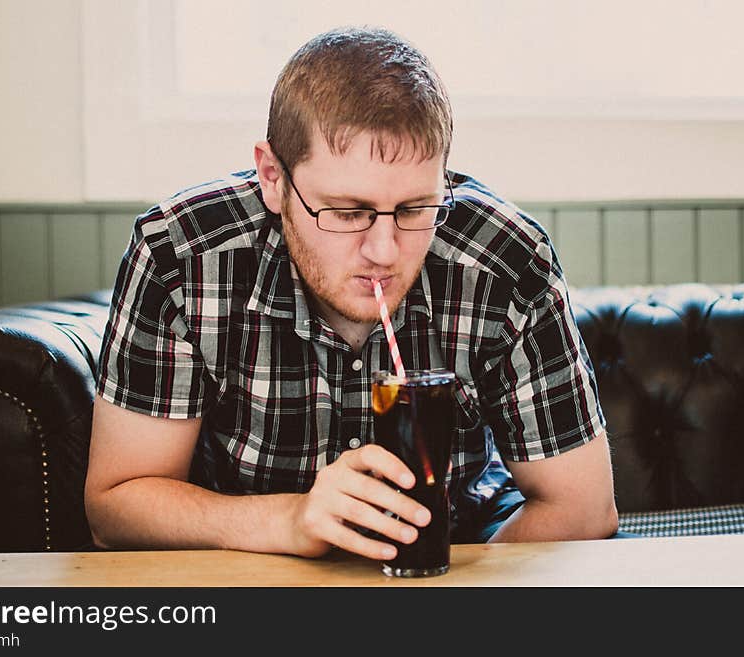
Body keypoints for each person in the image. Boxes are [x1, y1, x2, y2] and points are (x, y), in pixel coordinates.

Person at [84, 26, 619, 560]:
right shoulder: (180, 256)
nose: (384, 250)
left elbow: (583, 509)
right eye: (346, 212)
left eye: (414, 209)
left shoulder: (505, 261)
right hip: (252, 570)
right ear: (273, 177)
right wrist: (289, 519)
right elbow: (115, 507)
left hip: (460, 553)